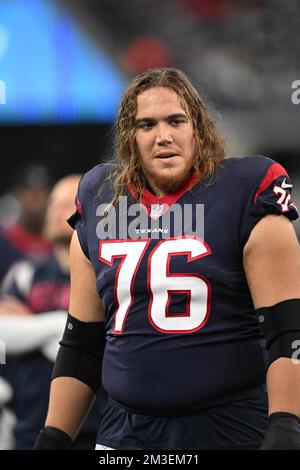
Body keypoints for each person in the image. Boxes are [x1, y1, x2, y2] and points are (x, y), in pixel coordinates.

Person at [34, 68, 300, 450]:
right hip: (125, 430)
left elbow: (287, 333)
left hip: (227, 427)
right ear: (131, 136)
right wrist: (53, 437)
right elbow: (82, 346)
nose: (163, 136)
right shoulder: (99, 197)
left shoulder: (245, 189)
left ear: (198, 127)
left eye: (176, 120)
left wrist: (286, 426)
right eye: (147, 125)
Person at [0, 175, 99, 449]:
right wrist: (60, 325)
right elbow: (3, 333)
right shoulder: (24, 275)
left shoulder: (107, 275)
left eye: (66, 203)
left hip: (94, 431)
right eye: (53, 204)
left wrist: (32, 326)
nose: (56, 212)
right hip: (28, 429)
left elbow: (101, 347)